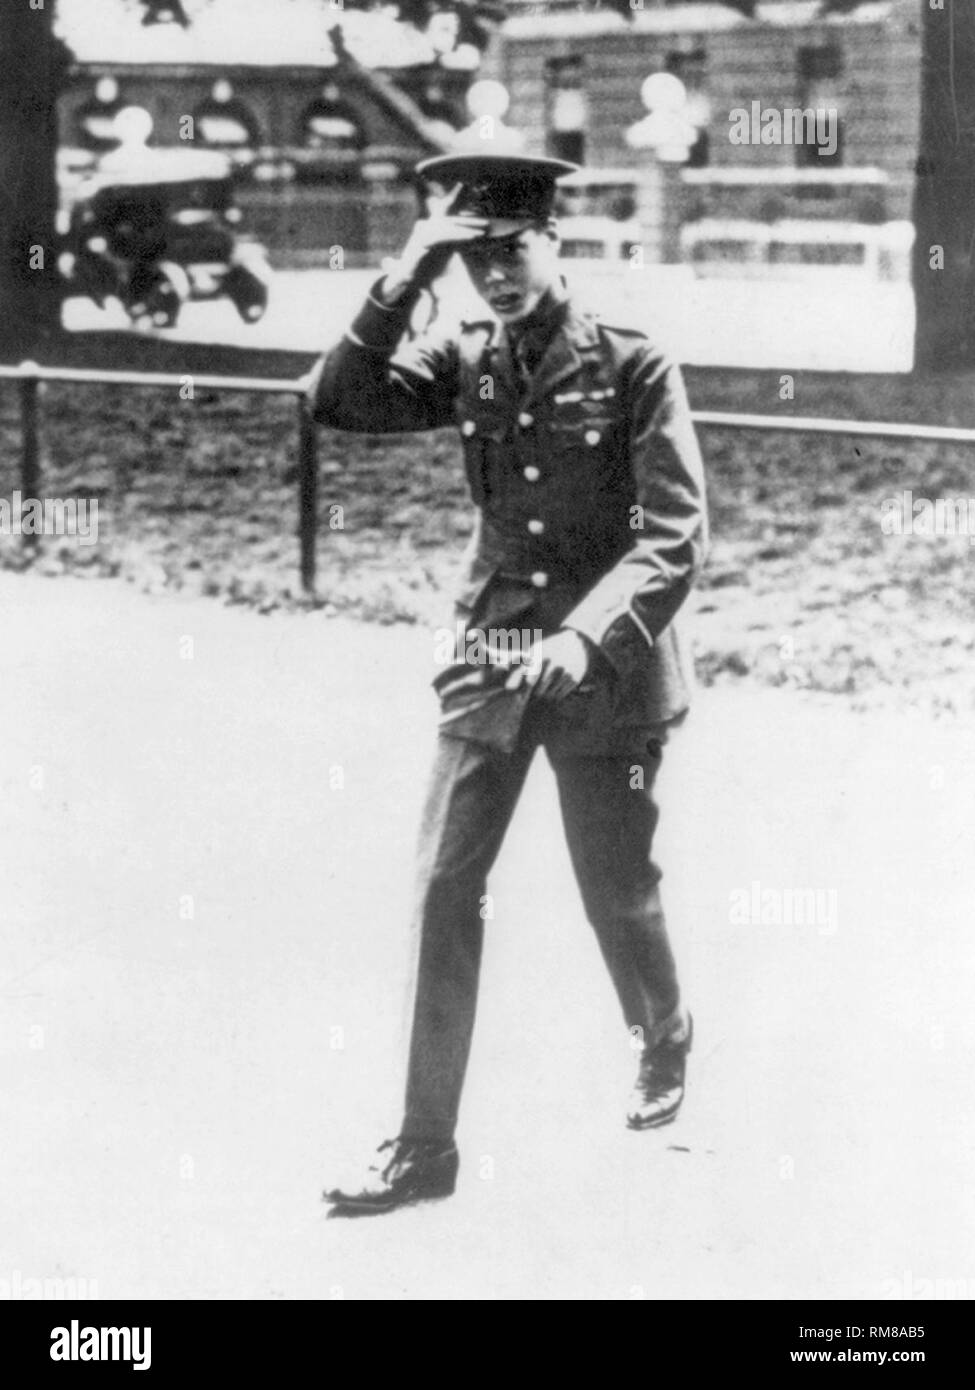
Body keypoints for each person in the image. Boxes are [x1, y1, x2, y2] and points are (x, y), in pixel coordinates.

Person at [309, 152, 708, 1216]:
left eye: (512, 250)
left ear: (556, 240)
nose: (495, 275)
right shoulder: (465, 350)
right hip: (490, 654)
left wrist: (585, 637)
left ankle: (663, 1033)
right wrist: (401, 277)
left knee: (611, 885)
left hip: (605, 664)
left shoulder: (632, 360)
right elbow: (335, 402)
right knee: (445, 885)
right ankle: (422, 1147)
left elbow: (673, 535)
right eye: (474, 257)